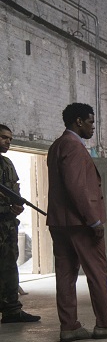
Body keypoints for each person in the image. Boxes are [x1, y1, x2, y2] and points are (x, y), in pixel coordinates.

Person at [47, 103, 107, 342]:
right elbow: (77, 187)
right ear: (78, 122)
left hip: (60, 223)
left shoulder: (56, 146)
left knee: (65, 276)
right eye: (90, 122)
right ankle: (105, 323)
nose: (93, 127)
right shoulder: (73, 146)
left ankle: (69, 327)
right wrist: (94, 220)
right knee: (96, 273)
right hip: (81, 223)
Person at [0, 124, 40, 324]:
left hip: (7, 225)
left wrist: (17, 205)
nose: (8, 141)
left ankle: (11, 310)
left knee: (9, 266)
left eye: (10, 138)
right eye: (3, 137)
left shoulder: (7, 163)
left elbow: (15, 190)